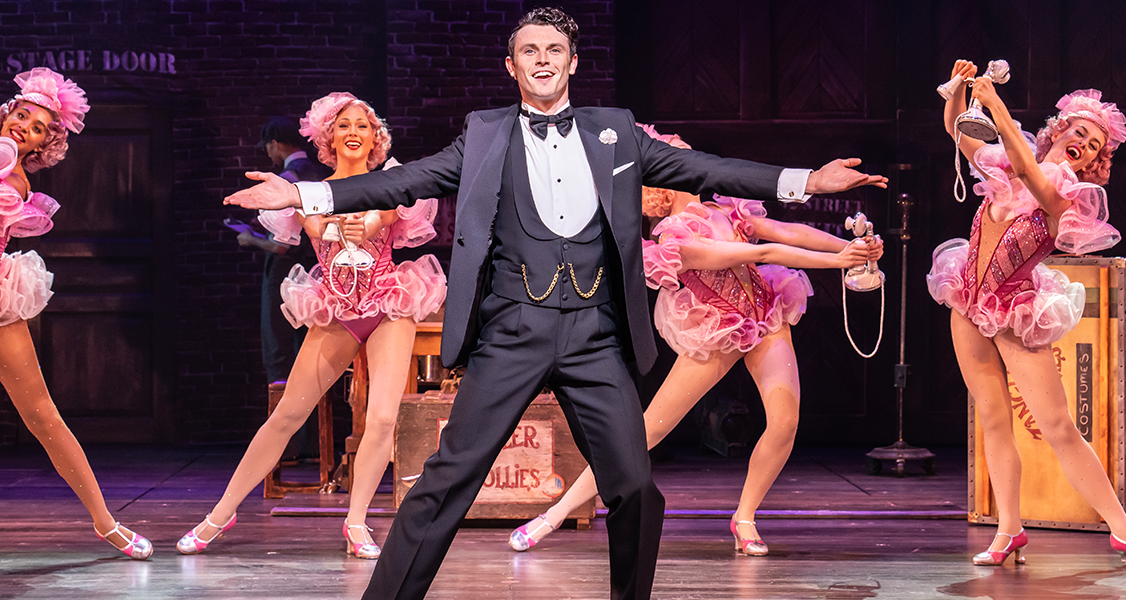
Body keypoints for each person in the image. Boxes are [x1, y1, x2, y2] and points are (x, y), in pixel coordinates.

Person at [224, 8, 885, 599]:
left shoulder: (616, 132)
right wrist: (303, 197)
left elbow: (707, 169)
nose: (543, 58)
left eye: (555, 49)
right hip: (513, 328)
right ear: (511, 65)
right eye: (530, 50)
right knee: (446, 480)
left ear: (572, 62)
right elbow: (410, 177)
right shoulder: (483, 135)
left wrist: (804, 180)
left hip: (595, 332)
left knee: (634, 489)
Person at [507, 128, 882, 557]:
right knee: (647, 431)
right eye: (673, 159)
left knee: (785, 420)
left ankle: (744, 517)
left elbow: (785, 231)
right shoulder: (672, 241)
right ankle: (553, 515)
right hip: (717, 328)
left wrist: (854, 247)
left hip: (765, 312)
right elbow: (759, 254)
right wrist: (837, 262)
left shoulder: (726, 208)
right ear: (657, 184)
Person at [179, 92, 445, 559]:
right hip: (338, 308)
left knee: (383, 417)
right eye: (344, 126)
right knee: (286, 415)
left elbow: (383, 214)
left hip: (387, 302)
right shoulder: (308, 190)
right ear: (330, 138)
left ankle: (357, 522)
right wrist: (336, 224)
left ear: (375, 137)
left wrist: (366, 223)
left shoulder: (389, 182)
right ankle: (219, 514)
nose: (354, 133)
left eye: (363, 125)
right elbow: (318, 230)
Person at [0, 67, 152, 561]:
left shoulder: (15, 186)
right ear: (5, 115)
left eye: (36, 128)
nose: (22, 126)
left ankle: (106, 522)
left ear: (40, 147)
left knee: (41, 416)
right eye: (20, 115)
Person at [929, 60, 1126, 565]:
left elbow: (1036, 180)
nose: (1082, 141)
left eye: (1094, 144)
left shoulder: (1068, 196)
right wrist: (960, 91)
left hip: (1017, 311)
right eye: (1078, 130)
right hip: (967, 302)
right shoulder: (1005, 166)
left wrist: (997, 106)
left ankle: (1121, 522)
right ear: (1060, 130)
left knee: (1057, 426)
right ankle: (1008, 529)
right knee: (994, 419)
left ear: (1091, 162)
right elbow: (959, 130)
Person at [243, 116, 329, 385]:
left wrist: (250, 239)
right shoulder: (323, 175)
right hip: (317, 275)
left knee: (280, 357)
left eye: (267, 147)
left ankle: (287, 426)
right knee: (312, 362)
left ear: (275, 144)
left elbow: (280, 246)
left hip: (286, 279)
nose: (268, 153)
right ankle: (314, 428)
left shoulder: (287, 180)